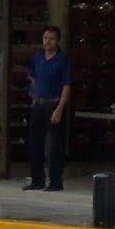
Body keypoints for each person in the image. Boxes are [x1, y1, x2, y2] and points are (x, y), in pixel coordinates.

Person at [25, 25, 73, 191]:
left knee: (55, 145)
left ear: (57, 41)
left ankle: (55, 182)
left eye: (51, 38)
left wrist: (60, 108)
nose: (48, 41)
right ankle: (37, 180)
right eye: (45, 38)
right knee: (35, 143)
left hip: (54, 104)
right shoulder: (38, 57)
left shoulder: (63, 60)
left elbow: (67, 85)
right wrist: (34, 94)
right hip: (39, 104)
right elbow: (33, 77)